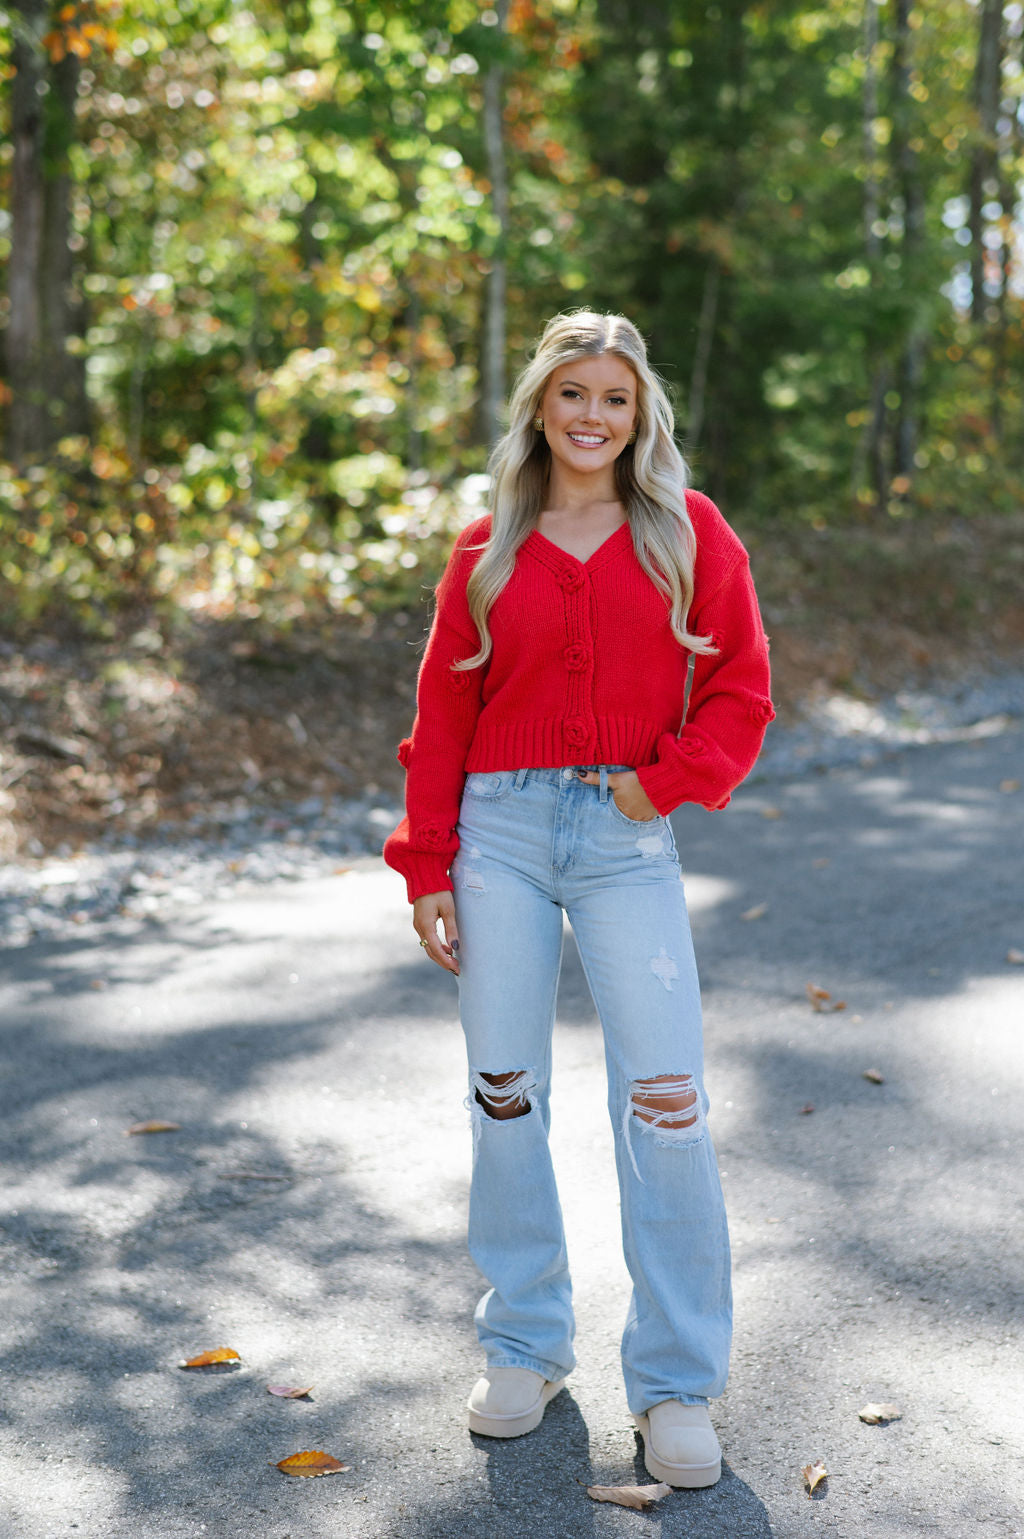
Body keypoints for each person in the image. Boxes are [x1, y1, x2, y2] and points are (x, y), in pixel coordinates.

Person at [383, 309, 773, 1487]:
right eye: (572, 396)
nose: (592, 417)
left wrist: (662, 788)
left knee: (665, 1102)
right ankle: (524, 1344)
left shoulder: (688, 533)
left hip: (623, 833)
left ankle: (674, 1382)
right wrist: (428, 862)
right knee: (505, 1092)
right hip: (495, 834)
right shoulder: (484, 548)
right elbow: (441, 717)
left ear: (639, 412)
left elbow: (742, 692)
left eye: (613, 398)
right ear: (540, 411)